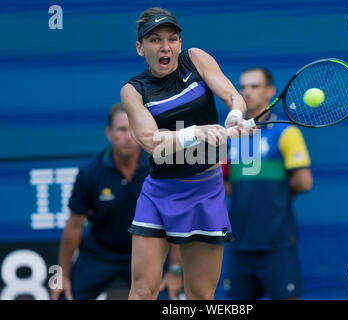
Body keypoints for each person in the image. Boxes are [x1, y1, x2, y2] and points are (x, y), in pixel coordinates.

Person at [120, 7, 246, 300]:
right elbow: (151, 141)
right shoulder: (133, 90)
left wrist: (236, 113)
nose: (165, 47)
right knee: (142, 291)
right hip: (160, 192)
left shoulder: (196, 59)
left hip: (206, 190)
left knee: (201, 295)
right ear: (140, 48)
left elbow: (231, 95)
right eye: (154, 40)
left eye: (172, 39)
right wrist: (195, 133)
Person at [51, 103, 183, 300]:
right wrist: (62, 276)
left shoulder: (159, 169)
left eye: (132, 130)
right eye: (121, 129)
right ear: (109, 133)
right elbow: (74, 226)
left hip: (146, 254)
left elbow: (174, 221)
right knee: (64, 296)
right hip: (99, 254)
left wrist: (175, 270)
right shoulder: (90, 173)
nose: (128, 137)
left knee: (167, 297)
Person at [222, 67, 313, 300]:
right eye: (242, 87)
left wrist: (277, 193)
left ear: (270, 91)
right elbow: (225, 185)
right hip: (240, 243)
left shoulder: (286, 133)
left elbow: (303, 182)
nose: (247, 92)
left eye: (255, 86)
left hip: (277, 244)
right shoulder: (230, 137)